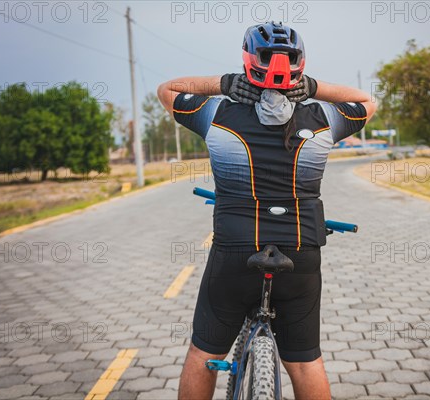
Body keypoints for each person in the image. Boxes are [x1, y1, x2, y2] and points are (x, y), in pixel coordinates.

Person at [158, 21, 377, 400]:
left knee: (204, 353)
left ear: (248, 64)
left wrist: (226, 84)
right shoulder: (324, 121)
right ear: (300, 66)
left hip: (235, 252)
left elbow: (167, 90)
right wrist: (310, 88)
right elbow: (367, 101)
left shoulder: (217, 116)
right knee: (306, 362)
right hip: (300, 252)